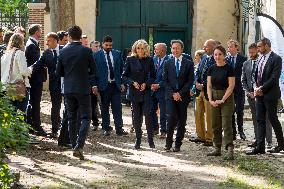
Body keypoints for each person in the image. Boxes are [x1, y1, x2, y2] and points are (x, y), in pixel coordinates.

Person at [56, 25, 97, 160]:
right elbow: (93, 70)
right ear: (80, 36)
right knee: (86, 117)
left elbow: (59, 72)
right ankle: (79, 145)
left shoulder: (63, 51)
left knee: (71, 118)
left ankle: (74, 145)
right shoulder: (86, 51)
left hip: (68, 88)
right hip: (83, 88)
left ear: (69, 36)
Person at [246, 38, 284, 155]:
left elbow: (274, 78)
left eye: (259, 47)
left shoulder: (276, 58)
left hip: (270, 94)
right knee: (260, 120)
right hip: (259, 94)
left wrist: (261, 88)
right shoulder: (260, 58)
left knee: (273, 118)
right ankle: (260, 147)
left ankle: (281, 144)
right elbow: (254, 75)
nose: (258, 49)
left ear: (266, 46)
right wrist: (255, 88)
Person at [122, 39, 156, 149]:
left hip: (145, 91)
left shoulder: (150, 60)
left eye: (142, 48)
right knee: (136, 117)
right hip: (134, 92)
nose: (140, 50)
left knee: (148, 116)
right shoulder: (130, 59)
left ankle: (151, 141)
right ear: (135, 49)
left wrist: (146, 84)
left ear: (146, 49)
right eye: (138, 48)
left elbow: (153, 76)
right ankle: (138, 140)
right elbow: (124, 76)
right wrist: (132, 82)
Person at [163, 39, 194, 152]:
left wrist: (180, 93)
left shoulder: (189, 63)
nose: (175, 50)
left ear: (182, 49)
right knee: (171, 118)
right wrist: (173, 94)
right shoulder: (167, 63)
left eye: (177, 48)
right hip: (170, 96)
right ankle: (168, 143)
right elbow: (165, 81)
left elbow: (190, 81)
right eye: (173, 48)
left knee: (181, 120)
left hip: (183, 96)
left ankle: (178, 144)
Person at [93, 35, 128, 136]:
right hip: (103, 86)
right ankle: (106, 128)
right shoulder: (96, 55)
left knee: (117, 107)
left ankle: (119, 128)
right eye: (106, 45)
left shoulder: (117, 54)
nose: (108, 47)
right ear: (102, 44)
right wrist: (94, 85)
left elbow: (122, 70)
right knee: (104, 108)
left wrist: (122, 83)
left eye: (110, 45)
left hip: (115, 85)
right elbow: (93, 72)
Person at [31, 32, 63, 138]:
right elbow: (38, 65)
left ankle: (69, 130)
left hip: (67, 83)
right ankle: (55, 130)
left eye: (48, 40)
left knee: (69, 106)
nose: (46, 43)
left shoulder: (65, 50)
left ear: (55, 40)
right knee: (55, 106)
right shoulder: (46, 53)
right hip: (54, 85)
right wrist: (27, 71)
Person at [241, 43, 273, 149]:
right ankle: (258, 139)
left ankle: (268, 141)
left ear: (257, 51)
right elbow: (243, 79)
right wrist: (248, 92)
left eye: (253, 52)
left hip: (262, 95)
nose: (250, 54)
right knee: (255, 118)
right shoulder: (246, 64)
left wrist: (260, 91)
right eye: (249, 52)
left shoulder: (263, 62)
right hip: (251, 95)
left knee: (266, 118)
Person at [207, 45, 235, 160]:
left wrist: (223, 99)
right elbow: (208, 85)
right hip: (214, 96)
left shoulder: (229, 68)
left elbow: (231, 85)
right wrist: (210, 100)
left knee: (226, 123)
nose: (217, 57)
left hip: (226, 98)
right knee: (215, 124)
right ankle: (217, 148)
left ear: (224, 56)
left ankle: (229, 148)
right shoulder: (211, 68)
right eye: (215, 54)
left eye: (219, 54)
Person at [192, 39, 216, 146]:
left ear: (213, 47)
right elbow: (198, 71)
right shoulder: (204, 57)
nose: (204, 48)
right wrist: (196, 82)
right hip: (199, 90)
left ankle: (210, 138)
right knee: (198, 113)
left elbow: (214, 75)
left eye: (206, 46)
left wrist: (204, 85)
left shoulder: (216, 58)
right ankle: (200, 136)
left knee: (209, 115)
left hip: (209, 91)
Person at [25, 24, 47, 136]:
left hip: (35, 78)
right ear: (36, 32)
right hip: (35, 79)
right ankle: (36, 126)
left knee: (33, 102)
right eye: (41, 31)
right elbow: (37, 63)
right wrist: (45, 61)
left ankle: (31, 124)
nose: (41, 33)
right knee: (35, 102)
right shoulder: (31, 46)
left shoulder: (32, 44)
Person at [1, 33, 32, 111]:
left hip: (6, 87)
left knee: (10, 114)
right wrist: (30, 69)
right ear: (21, 42)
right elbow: (24, 71)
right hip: (18, 88)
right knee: (20, 114)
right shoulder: (19, 53)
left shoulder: (5, 55)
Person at [226, 39, 247, 140]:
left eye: (231, 47)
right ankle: (233, 131)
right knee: (230, 110)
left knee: (239, 110)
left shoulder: (243, 59)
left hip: (239, 88)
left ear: (236, 47)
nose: (229, 49)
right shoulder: (225, 59)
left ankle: (241, 130)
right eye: (228, 47)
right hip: (229, 89)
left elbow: (246, 74)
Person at [150, 43, 169, 138]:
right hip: (152, 89)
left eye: (156, 49)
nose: (154, 51)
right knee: (151, 109)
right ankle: (155, 128)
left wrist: (159, 85)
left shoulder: (169, 60)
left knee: (163, 112)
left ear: (162, 50)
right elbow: (150, 73)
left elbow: (168, 77)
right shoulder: (153, 59)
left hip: (163, 90)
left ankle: (163, 131)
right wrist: (151, 84)